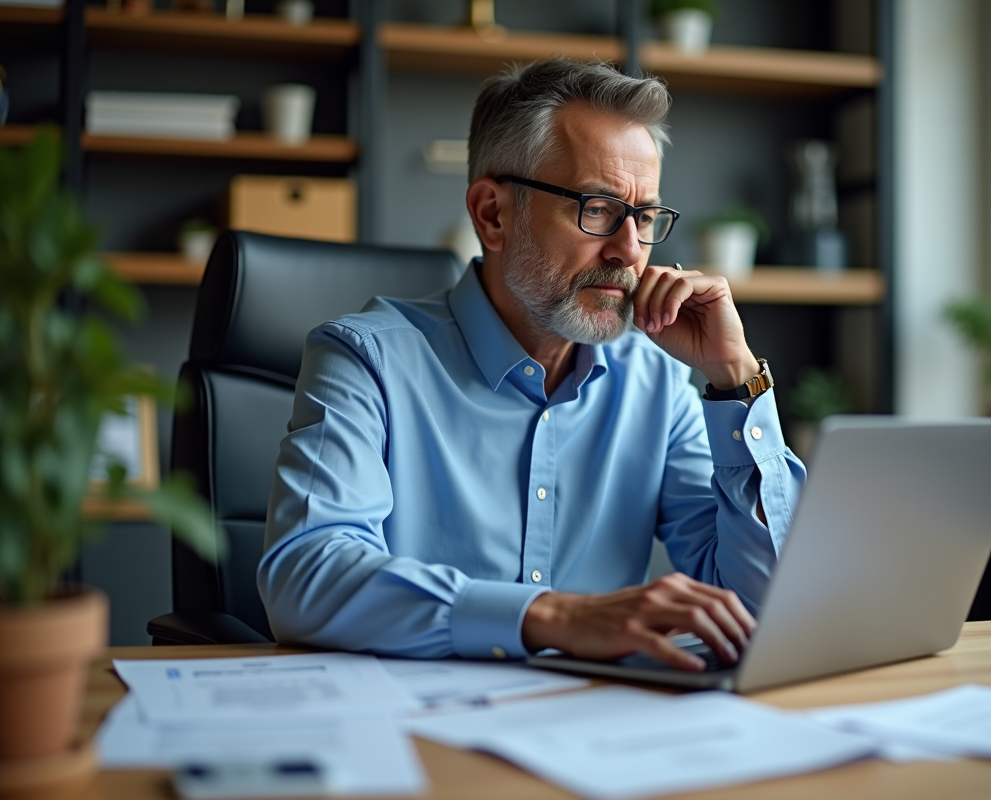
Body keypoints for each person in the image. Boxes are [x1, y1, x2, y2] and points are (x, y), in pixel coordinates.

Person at [258, 59, 806, 672]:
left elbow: (765, 605)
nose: (629, 250)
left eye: (645, 217)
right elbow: (304, 577)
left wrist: (736, 379)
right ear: (493, 214)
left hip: (596, 735)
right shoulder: (367, 361)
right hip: (418, 734)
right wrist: (552, 617)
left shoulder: (657, 382)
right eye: (597, 208)